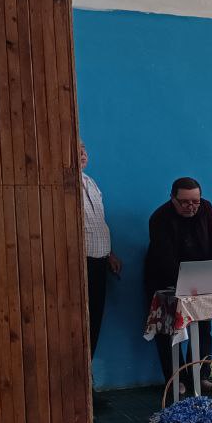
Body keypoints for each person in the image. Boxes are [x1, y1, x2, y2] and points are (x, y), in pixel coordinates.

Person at [144, 177, 212, 388]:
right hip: (163, 278)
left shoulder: (206, 209)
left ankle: (201, 375)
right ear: (172, 198)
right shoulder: (159, 218)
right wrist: (185, 283)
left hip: (200, 276)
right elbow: (165, 258)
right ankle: (175, 379)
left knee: (203, 325)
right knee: (167, 330)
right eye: (184, 202)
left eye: (195, 201)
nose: (191, 206)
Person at [80, 140, 123, 358]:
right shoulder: (63, 185)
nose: (82, 152)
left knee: (95, 317)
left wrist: (109, 254)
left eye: (83, 148)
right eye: (76, 148)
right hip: (79, 263)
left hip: (99, 261)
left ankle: (87, 368)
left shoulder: (90, 182)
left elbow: (98, 224)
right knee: (79, 320)